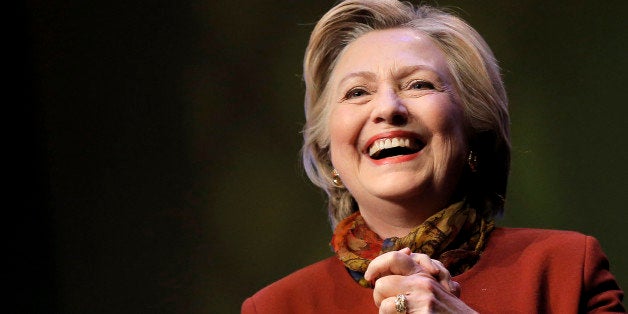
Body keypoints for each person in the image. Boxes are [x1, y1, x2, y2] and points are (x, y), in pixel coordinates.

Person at [242, 0, 625, 312]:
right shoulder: (277, 306)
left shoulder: (567, 268)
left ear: (474, 129)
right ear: (329, 153)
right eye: (357, 92)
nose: (388, 108)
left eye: (418, 84)